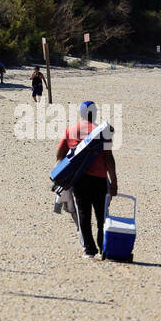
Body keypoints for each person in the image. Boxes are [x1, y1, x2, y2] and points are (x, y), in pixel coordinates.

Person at [55, 101, 119, 259]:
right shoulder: (102, 131)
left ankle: (89, 250)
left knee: (83, 213)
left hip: (79, 180)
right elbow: (109, 158)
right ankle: (104, 248)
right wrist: (114, 182)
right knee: (101, 215)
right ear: (95, 113)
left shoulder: (71, 130)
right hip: (100, 179)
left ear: (82, 113)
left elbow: (59, 154)